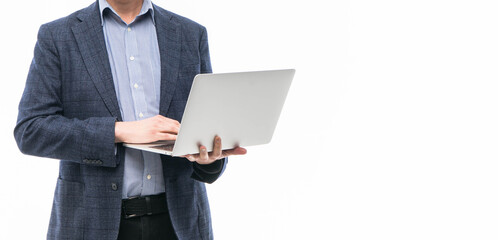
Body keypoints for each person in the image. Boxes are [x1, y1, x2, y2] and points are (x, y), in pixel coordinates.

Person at [14, 0, 246, 239]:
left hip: (180, 224)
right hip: (92, 225)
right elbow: (31, 130)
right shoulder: (58, 36)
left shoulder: (190, 33)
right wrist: (118, 131)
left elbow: (207, 124)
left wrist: (209, 159)